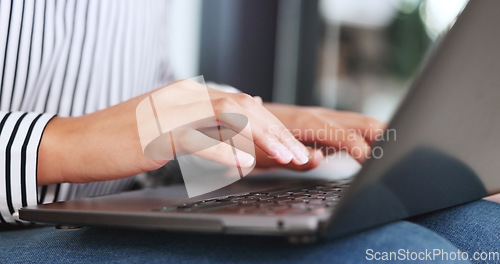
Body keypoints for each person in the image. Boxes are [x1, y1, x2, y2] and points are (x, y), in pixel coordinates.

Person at [0, 1, 498, 263]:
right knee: (403, 255)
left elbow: (142, 95)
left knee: (484, 230)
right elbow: (110, 129)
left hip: (119, 201)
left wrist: (252, 125)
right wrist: (61, 144)